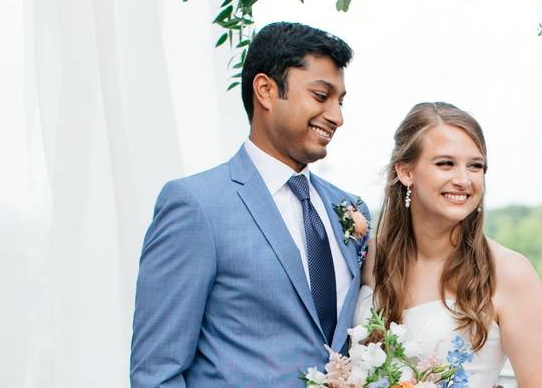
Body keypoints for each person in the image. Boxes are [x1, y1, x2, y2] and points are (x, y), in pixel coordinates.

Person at [131, 22, 370, 387]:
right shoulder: (197, 206)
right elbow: (156, 372)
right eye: (321, 96)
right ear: (266, 90)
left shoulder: (351, 209)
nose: (337, 116)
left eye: (340, 101)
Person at [355, 102, 542, 387]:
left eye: (476, 166)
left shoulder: (510, 273)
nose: (464, 180)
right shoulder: (369, 258)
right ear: (406, 172)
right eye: (446, 164)